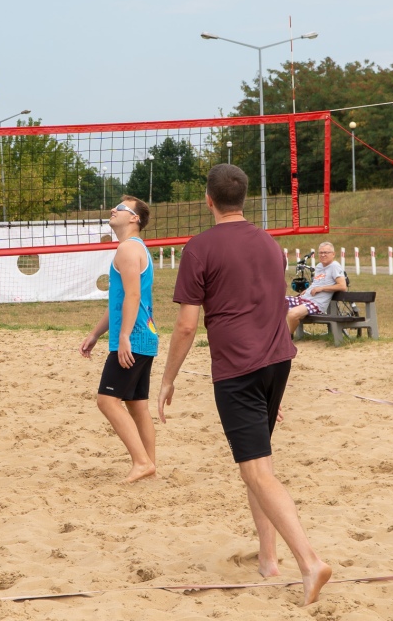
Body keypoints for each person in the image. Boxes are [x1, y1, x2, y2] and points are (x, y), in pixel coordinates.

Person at [157, 164, 330, 606]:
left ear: (208, 199)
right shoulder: (271, 245)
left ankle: (309, 562)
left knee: (254, 469)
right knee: (260, 465)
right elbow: (275, 306)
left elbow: (185, 326)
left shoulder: (199, 248)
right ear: (244, 198)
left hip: (238, 368)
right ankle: (269, 559)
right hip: (277, 361)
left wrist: (168, 378)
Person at [80, 196, 159, 483]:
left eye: (121, 209)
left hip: (133, 337)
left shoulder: (127, 248)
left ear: (134, 218)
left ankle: (141, 462)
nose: (113, 210)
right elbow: (121, 300)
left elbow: (134, 297)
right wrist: (95, 333)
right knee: (137, 406)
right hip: (145, 336)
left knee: (107, 401)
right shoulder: (137, 249)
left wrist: (123, 336)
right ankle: (149, 464)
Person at [285, 242, 347, 335]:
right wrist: (308, 290)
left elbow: (342, 286)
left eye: (326, 252)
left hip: (316, 303)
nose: (323, 255)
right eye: (321, 252)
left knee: (292, 314)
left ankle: (287, 337)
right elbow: (317, 283)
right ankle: (273, 334)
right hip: (304, 299)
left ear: (333, 254)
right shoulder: (319, 266)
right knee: (276, 303)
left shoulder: (334, 266)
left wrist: (321, 288)